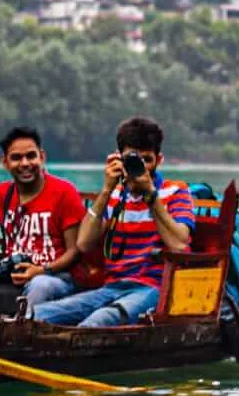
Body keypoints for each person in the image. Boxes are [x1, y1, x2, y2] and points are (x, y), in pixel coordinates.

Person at [32, 116, 194, 328]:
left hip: (153, 289)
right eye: (133, 160)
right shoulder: (116, 196)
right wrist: (107, 189)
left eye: (147, 160)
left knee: (99, 321)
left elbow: (179, 244)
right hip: (111, 288)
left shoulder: (175, 191)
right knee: (38, 315)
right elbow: (83, 244)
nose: (140, 167)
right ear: (119, 159)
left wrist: (150, 195)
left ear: (159, 160)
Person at [0, 128, 87, 323]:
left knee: (41, 285)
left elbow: (74, 252)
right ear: (5, 163)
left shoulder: (64, 192)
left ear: (42, 157)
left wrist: (41, 270)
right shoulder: (2, 194)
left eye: (31, 156)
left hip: (55, 278)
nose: (25, 164)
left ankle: (19, 338)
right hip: (13, 277)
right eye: (16, 158)